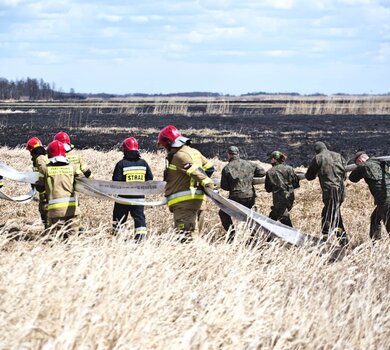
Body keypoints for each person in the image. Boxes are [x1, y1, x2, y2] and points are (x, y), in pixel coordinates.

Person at [158, 125, 215, 242]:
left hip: (184, 205)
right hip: (198, 202)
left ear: (168, 143)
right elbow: (209, 168)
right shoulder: (194, 152)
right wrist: (200, 185)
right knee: (195, 237)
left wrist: (207, 183)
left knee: (186, 239)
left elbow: (196, 172)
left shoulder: (179, 156)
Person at [219, 145, 265, 242]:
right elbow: (262, 172)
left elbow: (224, 187)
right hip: (249, 196)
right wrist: (250, 175)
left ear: (229, 155)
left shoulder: (227, 168)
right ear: (238, 154)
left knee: (223, 213)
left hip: (235, 197)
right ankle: (253, 238)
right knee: (251, 216)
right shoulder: (250, 164)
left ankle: (231, 235)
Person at [305, 141, 348, 246]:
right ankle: (330, 239)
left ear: (316, 150)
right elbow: (345, 175)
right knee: (329, 214)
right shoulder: (338, 155)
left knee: (333, 216)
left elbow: (309, 176)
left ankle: (340, 242)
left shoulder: (318, 158)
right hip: (341, 191)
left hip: (330, 191)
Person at [36, 140, 81, 238]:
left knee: (57, 239)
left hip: (55, 211)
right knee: (73, 239)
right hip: (72, 209)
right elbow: (81, 181)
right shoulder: (72, 167)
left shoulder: (44, 169)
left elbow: (39, 187)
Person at [112, 137, 153, 242]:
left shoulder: (121, 164)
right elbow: (150, 179)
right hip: (138, 198)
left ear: (125, 150)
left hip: (123, 199)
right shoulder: (143, 163)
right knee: (139, 219)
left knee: (119, 219)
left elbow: (116, 181)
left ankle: (118, 240)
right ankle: (141, 239)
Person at [349, 151, 390, 240]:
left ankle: (377, 245)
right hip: (385, 198)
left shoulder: (364, 166)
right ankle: (376, 244)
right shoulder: (381, 162)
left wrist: (359, 167)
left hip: (384, 200)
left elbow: (352, 178)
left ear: (360, 160)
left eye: (357, 163)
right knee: (375, 218)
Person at [265, 151, 300, 227]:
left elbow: (268, 189)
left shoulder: (270, 172)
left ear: (274, 159)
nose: (270, 161)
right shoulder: (289, 169)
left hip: (278, 199)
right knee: (273, 217)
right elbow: (296, 184)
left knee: (284, 220)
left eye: (271, 159)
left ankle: (293, 236)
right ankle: (268, 237)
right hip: (289, 198)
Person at [26, 137, 49, 228]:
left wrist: (40, 184)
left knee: (45, 210)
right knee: (43, 210)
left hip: (45, 191)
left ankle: (49, 230)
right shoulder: (38, 158)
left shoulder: (40, 159)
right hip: (43, 190)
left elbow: (45, 173)